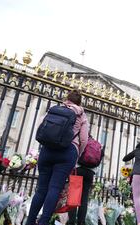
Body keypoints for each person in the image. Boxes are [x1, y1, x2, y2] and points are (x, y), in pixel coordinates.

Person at [26, 90, 89, 225]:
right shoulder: (81, 115)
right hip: (68, 152)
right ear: (79, 102)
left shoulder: (55, 109)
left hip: (47, 150)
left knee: (41, 189)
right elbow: (84, 139)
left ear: (67, 99)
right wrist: (78, 153)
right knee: (55, 188)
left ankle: (29, 221)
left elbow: (41, 126)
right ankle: (43, 222)